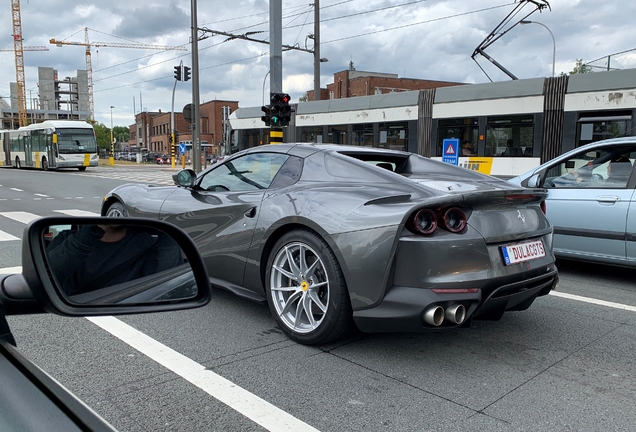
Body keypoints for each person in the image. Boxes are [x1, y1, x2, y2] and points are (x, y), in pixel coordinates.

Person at [46, 224, 162, 296]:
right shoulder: (68, 239)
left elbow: (160, 286)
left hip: (122, 312)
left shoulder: (145, 245)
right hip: (69, 306)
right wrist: (95, 229)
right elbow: (47, 277)